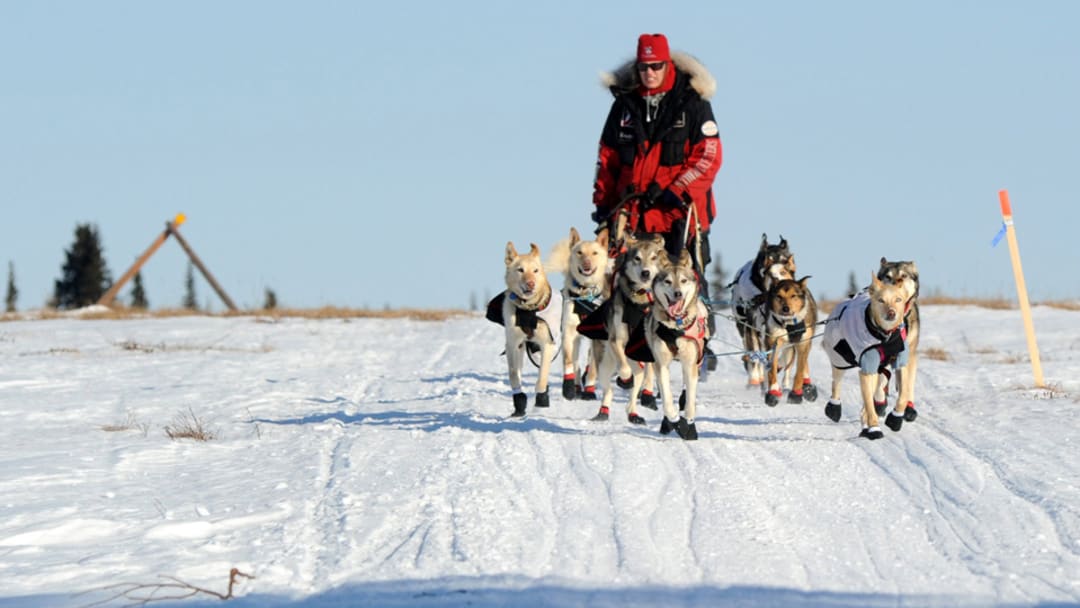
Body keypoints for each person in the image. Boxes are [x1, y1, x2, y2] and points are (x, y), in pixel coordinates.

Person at [591, 32, 722, 367]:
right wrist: (604, 208)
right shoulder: (624, 106)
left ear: (668, 65)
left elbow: (708, 156)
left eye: (656, 66)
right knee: (632, 284)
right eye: (644, 66)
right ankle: (639, 356)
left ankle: (698, 341)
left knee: (686, 280)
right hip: (634, 215)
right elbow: (608, 159)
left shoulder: (692, 103)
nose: (650, 72)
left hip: (680, 213)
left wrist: (676, 189)